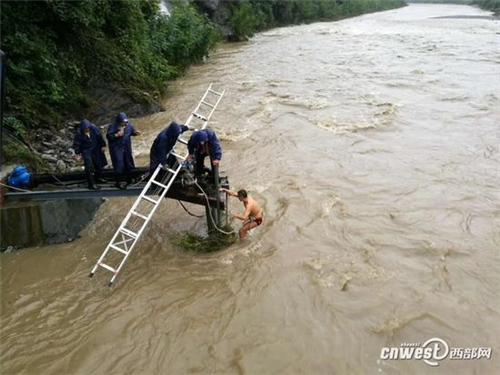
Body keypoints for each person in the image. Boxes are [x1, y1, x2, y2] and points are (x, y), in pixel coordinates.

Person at [106, 112, 141, 189]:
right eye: (123, 122)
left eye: (125, 122)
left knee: (128, 163)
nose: (124, 124)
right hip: (116, 148)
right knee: (119, 164)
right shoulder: (112, 126)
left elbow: (132, 131)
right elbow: (109, 136)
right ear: (118, 121)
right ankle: (118, 183)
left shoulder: (128, 125)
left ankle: (129, 180)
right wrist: (116, 135)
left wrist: (135, 133)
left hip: (126, 147)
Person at [73, 119, 108, 190]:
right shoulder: (79, 133)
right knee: (88, 166)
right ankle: (91, 184)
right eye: (85, 129)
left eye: (88, 129)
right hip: (86, 150)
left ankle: (98, 178)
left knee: (99, 164)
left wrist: (103, 145)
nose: (87, 130)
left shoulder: (94, 128)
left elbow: (99, 137)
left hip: (95, 147)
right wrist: (78, 154)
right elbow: (77, 144)